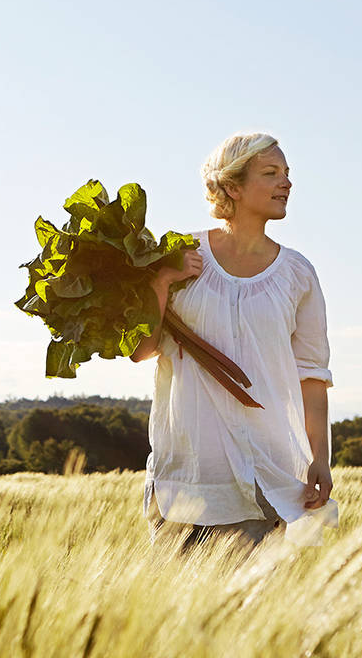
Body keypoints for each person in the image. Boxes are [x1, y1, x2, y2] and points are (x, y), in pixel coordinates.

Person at [131, 132, 335, 552]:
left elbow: (312, 375)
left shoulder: (297, 274)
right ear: (232, 187)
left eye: (287, 173)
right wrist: (161, 282)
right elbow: (141, 350)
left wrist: (320, 458)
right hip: (188, 477)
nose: (286, 183)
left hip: (266, 476)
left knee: (255, 616)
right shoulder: (177, 255)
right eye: (271, 173)